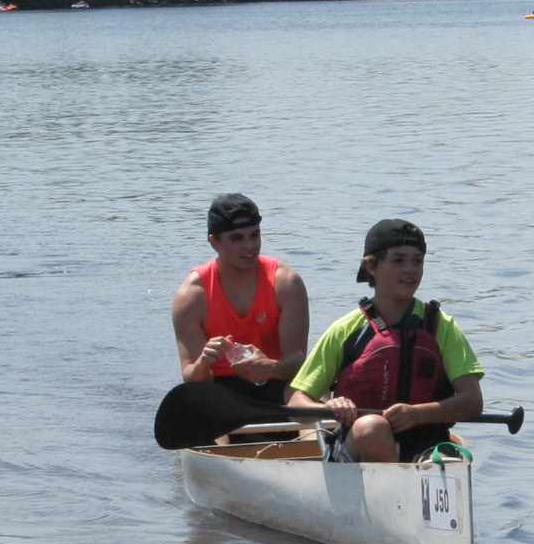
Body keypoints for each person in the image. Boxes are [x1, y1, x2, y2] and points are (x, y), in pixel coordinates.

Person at [288, 219, 483, 463]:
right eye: (398, 260)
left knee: (444, 461)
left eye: (417, 261)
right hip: (361, 442)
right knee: (374, 428)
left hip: (426, 441)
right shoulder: (345, 329)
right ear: (372, 267)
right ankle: (392, 492)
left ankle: (413, 487)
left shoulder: (442, 326)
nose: (410, 269)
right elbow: (297, 401)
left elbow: (472, 401)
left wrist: (417, 415)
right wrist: (330, 408)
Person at [172, 194, 309, 405]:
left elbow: (298, 360)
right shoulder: (191, 295)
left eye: (254, 235)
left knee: (306, 390)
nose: (250, 246)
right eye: (237, 238)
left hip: (277, 379)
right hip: (219, 389)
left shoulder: (286, 282)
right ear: (214, 242)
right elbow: (191, 377)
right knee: (195, 399)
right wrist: (203, 363)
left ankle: (307, 435)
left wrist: (270, 367)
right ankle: (219, 439)